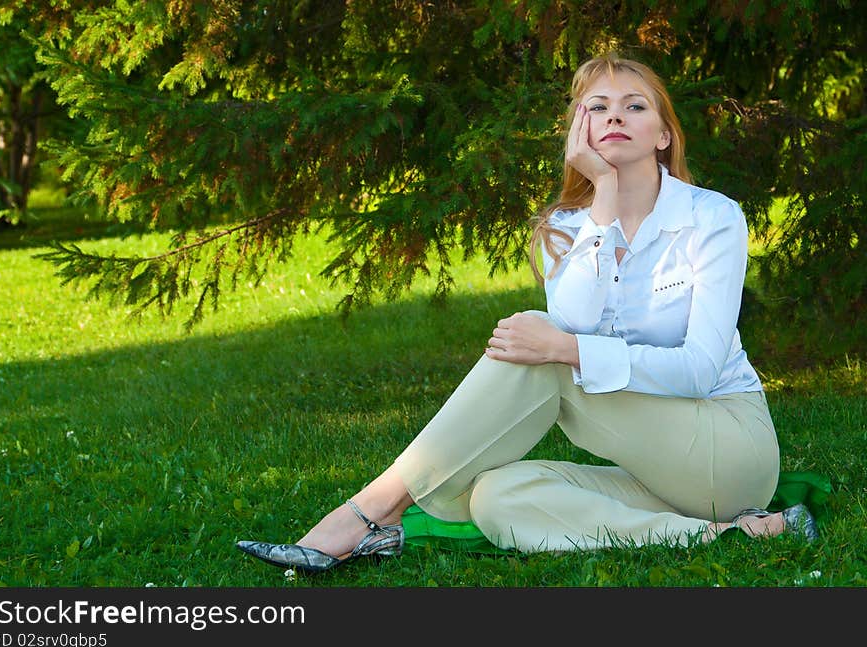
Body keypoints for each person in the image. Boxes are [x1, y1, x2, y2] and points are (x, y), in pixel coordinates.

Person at [236, 53, 818, 573]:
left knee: (543, 352)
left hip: (728, 448)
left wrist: (565, 350)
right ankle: (722, 534)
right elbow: (578, 320)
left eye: (634, 106)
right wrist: (604, 201)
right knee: (496, 499)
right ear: (578, 131)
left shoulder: (712, 217)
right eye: (598, 107)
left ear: (664, 134)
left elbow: (693, 368)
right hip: (653, 473)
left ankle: (369, 512)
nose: (615, 116)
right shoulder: (564, 229)